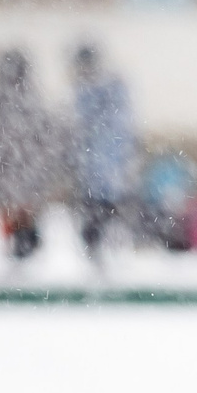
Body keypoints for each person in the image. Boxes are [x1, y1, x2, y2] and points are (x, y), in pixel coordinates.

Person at [0, 48, 62, 260]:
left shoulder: (2, 105)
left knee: (14, 225)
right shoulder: (31, 105)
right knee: (18, 224)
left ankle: (19, 251)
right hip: (23, 182)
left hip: (14, 182)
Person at [69, 42, 136, 259]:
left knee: (101, 225)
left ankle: (101, 256)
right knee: (103, 225)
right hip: (105, 179)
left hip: (102, 179)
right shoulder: (109, 94)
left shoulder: (95, 95)